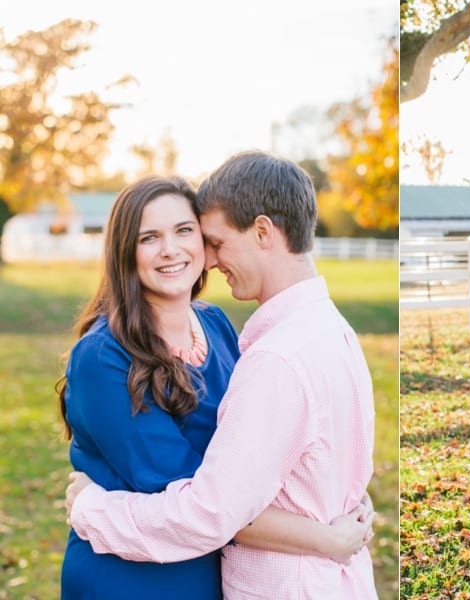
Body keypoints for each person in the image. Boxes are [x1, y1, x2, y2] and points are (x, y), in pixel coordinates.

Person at [65, 151, 378, 599]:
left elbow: (232, 493)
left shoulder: (221, 327)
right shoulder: (103, 357)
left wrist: (342, 507)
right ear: (125, 251)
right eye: (149, 236)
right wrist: (327, 533)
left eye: (191, 233)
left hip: (223, 571)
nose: (200, 256)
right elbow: (208, 505)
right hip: (138, 578)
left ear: (263, 231)